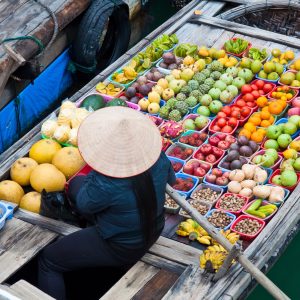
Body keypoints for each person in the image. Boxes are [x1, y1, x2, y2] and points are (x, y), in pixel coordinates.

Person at [38, 106, 176, 300]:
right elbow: (171, 180)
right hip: (155, 227)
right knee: (77, 184)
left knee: (49, 261)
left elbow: (85, 205)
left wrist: (98, 174)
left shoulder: (106, 181)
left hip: (122, 245)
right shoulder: (157, 157)